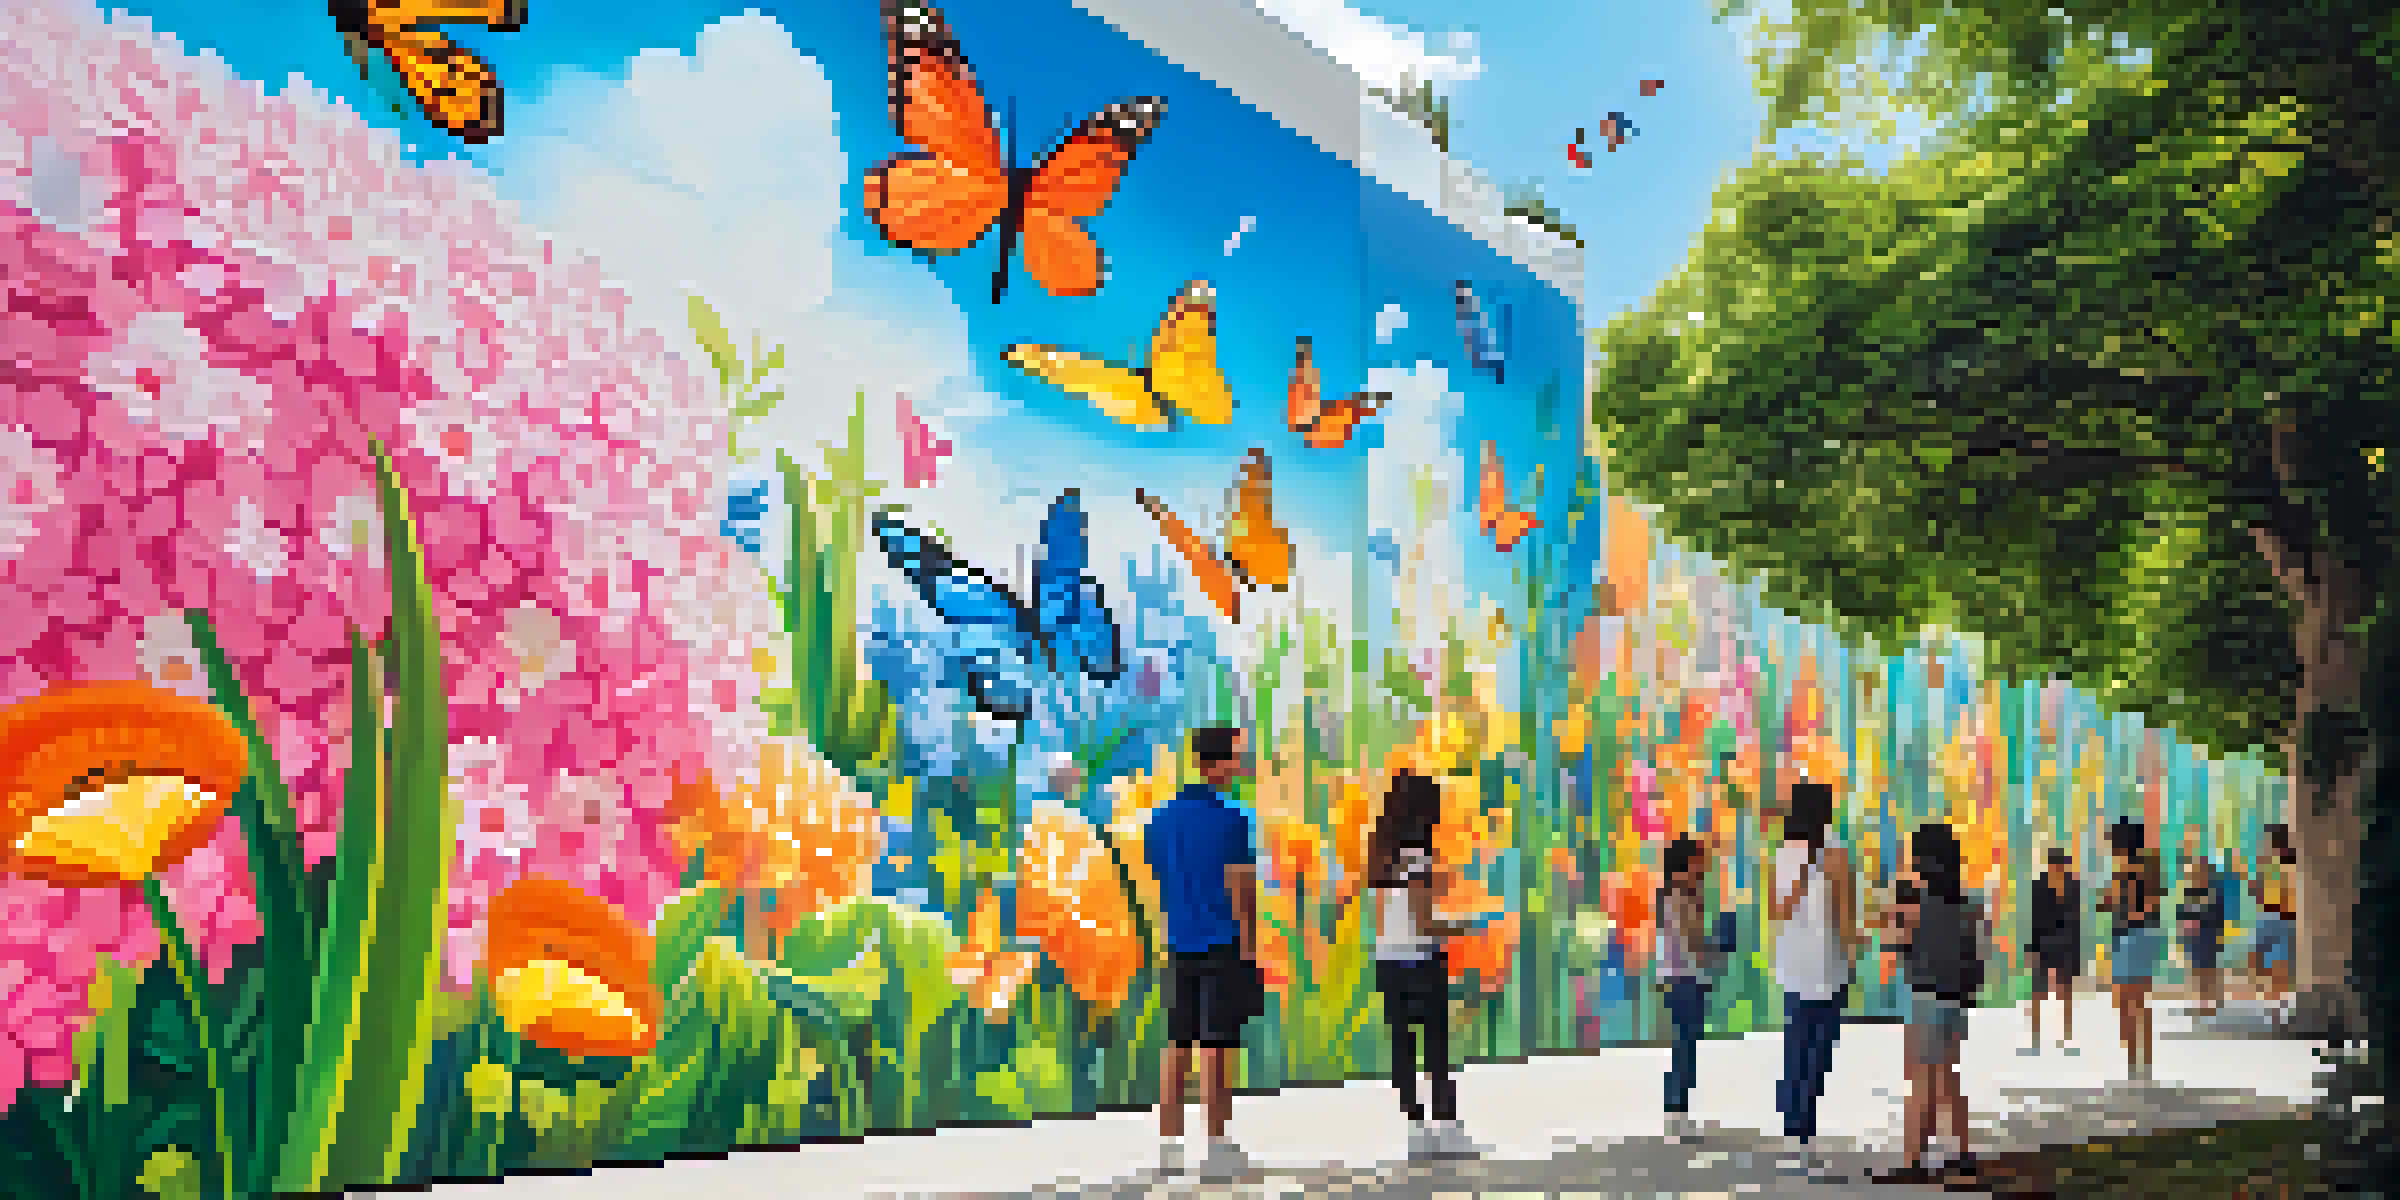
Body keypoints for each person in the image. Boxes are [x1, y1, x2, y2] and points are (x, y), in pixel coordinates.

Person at [1143, 726, 1261, 1177]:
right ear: (1219, 762)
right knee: (1217, 1046)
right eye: (1236, 756)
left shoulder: (1161, 819)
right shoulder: (1233, 818)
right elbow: (1242, 890)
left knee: (1177, 1044)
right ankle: (1216, 1145)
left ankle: (1168, 1147)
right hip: (1222, 941)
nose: (1241, 763)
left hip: (1180, 941)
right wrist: (1249, 950)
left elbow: (1161, 877)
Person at [1363, 771, 1489, 1160]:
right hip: (1422, 960)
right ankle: (1447, 1125)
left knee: (1403, 1044)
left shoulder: (1379, 855)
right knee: (1435, 1045)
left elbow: (1384, 916)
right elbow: (1425, 923)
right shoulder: (1419, 857)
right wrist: (1467, 924)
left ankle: (1415, 1125)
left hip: (1388, 958)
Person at [1878, 822, 1986, 1178]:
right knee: (1948, 1076)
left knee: (1922, 1079)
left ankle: (1913, 1160)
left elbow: (1892, 943)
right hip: (1957, 999)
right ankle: (1963, 1152)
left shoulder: (1916, 904)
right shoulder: (1970, 904)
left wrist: (1891, 910)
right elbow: (1978, 953)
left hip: (1925, 995)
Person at [1769, 780, 1860, 1155]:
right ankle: (1802, 1128)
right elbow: (1844, 914)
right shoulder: (1835, 853)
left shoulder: (1784, 853)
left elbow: (1777, 912)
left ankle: (1793, 1125)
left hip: (1794, 964)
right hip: (1827, 964)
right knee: (1819, 1047)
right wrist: (1852, 955)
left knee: (1797, 1043)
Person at [1656, 832, 1732, 1131]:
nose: (1702, 870)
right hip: (1684, 981)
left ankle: (1677, 1104)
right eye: (1697, 865)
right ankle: (1676, 1106)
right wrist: (1721, 942)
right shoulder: (1679, 897)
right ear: (1681, 867)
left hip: (1684, 980)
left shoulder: (1681, 896)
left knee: (1685, 1044)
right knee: (1685, 1045)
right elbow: (1693, 944)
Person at [2098, 817, 2162, 1080]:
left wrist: (2136, 913)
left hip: (2138, 934)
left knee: (2133, 998)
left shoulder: (2145, 866)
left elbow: (2152, 900)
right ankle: (2135, 1059)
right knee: (2127, 999)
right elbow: (2114, 900)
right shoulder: (2125, 868)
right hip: (2124, 934)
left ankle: (2139, 1061)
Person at [2023, 846, 2082, 1054]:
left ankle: (2065, 1036)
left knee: (2065, 992)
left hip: (2066, 944)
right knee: (2038, 992)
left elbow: (2077, 921)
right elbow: (2033, 918)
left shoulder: (2074, 886)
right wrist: (2030, 949)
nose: (2057, 867)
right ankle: (2035, 1037)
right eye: (2055, 864)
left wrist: (2077, 952)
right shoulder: (2039, 885)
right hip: (2043, 943)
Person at [2248, 823, 2297, 1022]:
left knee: (2278, 963)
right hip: (2268, 915)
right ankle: (2272, 1003)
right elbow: (2256, 889)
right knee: (2263, 962)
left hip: (2283, 917)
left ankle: (2278, 1005)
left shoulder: (2290, 862)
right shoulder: (2266, 862)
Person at [2175, 827, 2226, 1017]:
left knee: (2209, 969)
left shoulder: (2213, 888)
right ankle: (2202, 1002)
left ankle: (2211, 1002)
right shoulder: (2190, 887)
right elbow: (2182, 910)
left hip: (2208, 934)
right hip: (2195, 935)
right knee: (2197, 970)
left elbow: (2217, 912)